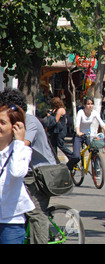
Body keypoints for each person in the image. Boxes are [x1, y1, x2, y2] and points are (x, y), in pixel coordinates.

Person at [0, 88, 57, 244]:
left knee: (35, 213)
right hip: (29, 172)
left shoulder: (29, 122)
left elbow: (23, 144)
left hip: (42, 174)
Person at [0, 104, 35, 244]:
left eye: (2, 123)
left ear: (14, 127)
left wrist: (20, 142)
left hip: (11, 222)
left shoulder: (22, 151)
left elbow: (16, 172)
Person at [66, 97, 105, 171]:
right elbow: (77, 124)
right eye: (88, 104)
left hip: (87, 135)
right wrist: (78, 132)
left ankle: (97, 170)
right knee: (77, 156)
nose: (90, 106)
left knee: (94, 151)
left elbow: (101, 122)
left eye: (92, 104)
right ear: (84, 105)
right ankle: (68, 167)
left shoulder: (94, 113)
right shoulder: (80, 112)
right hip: (78, 135)